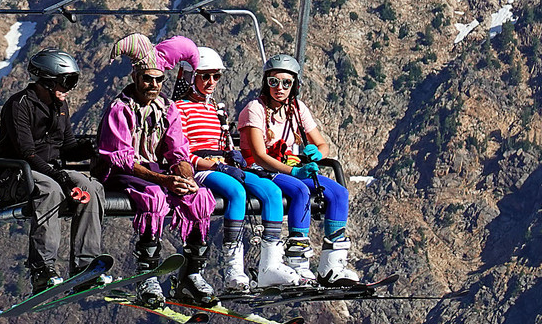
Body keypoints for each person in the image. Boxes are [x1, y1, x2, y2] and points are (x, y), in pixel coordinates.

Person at [96, 42, 217, 307]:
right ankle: (146, 275)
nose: (153, 85)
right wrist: (164, 181)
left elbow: (177, 151)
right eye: (147, 79)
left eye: (159, 80)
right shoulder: (120, 109)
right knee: (153, 197)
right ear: (135, 78)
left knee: (201, 198)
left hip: (154, 170)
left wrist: (186, 178)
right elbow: (121, 159)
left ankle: (192, 274)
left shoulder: (168, 109)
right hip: (123, 172)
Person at [172, 47, 299, 290]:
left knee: (271, 191)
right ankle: (234, 269)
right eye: (205, 76)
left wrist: (233, 158)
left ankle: (270, 265)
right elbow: (182, 152)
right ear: (191, 77)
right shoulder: (180, 108)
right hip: (201, 167)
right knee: (236, 192)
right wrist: (216, 166)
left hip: (224, 165)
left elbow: (223, 143)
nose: (211, 82)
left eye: (216, 77)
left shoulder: (215, 110)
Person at [237, 53, 359, 283]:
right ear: (266, 83)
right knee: (300, 190)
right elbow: (259, 156)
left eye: (286, 83)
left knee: (339, 193)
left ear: (294, 85)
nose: (279, 88)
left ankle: (332, 266)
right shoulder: (256, 109)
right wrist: (293, 172)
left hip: (291, 166)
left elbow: (322, 144)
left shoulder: (296, 109)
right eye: (273, 82)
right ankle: (298, 262)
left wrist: (317, 153)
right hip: (263, 170)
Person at [0, 48, 107, 293]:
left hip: (49, 171)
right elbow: (26, 153)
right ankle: (42, 269)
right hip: (17, 175)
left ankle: (85, 265)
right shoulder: (20, 105)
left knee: (90, 186)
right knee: (50, 190)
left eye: (72, 82)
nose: (68, 88)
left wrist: (89, 150)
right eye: (65, 82)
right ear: (46, 81)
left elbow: (66, 147)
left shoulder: (60, 106)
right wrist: (58, 176)